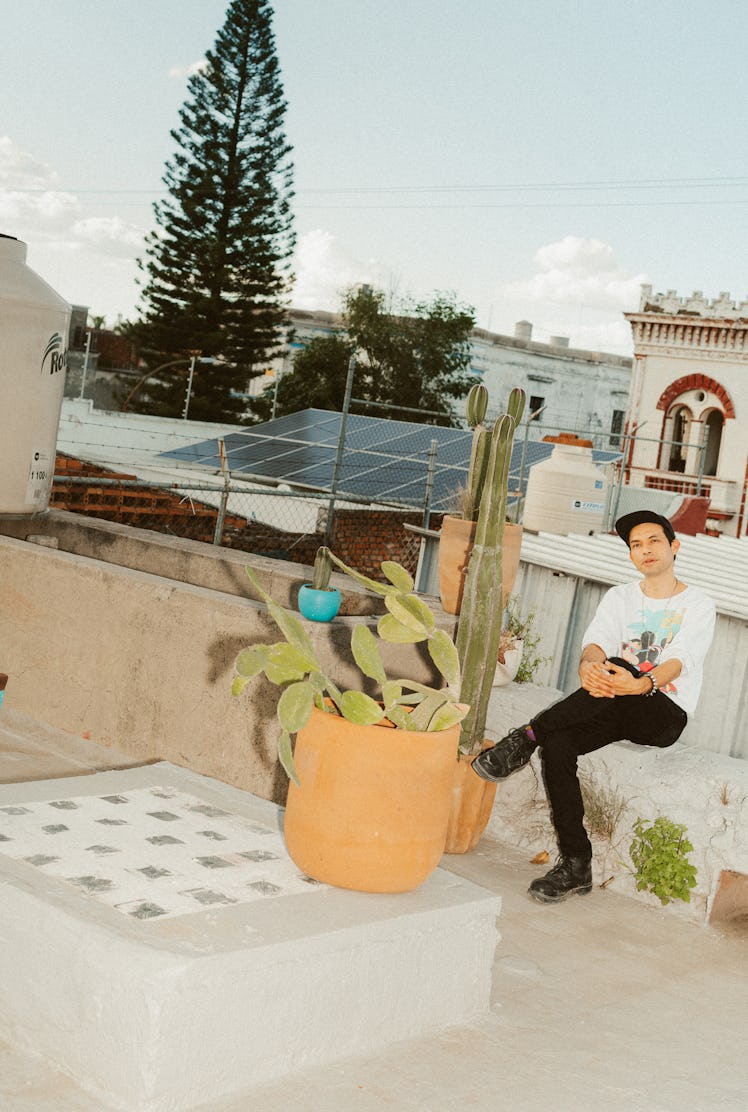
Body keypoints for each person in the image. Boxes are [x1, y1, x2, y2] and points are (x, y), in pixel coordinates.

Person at [472, 510, 716, 904]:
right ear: (631, 556)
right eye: (636, 545)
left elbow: (682, 657)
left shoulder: (698, 604)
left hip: (663, 711)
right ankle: (576, 864)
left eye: (653, 540)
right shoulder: (619, 597)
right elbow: (596, 643)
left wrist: (642, 682)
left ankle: (524, 738)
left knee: (617, 667)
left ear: (674, 546)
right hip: (614, 702)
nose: (645, 550)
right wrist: (589, 665)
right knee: (560, 745)